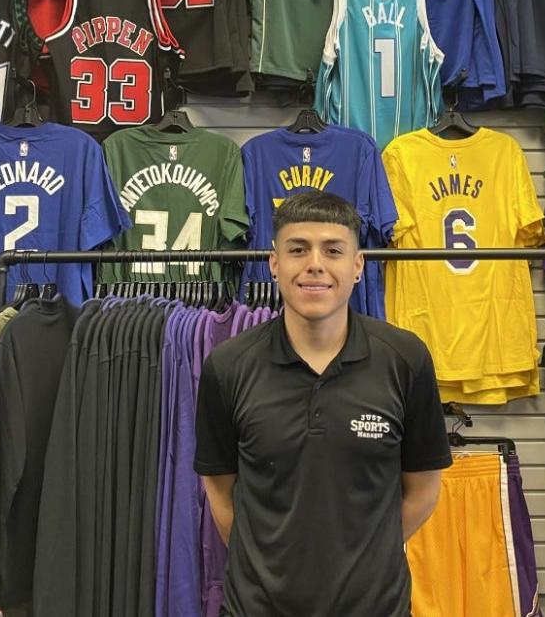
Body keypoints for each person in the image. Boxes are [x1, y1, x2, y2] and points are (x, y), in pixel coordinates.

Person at [194, 190, 452, 615]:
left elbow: (423, 491)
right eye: (298, 249)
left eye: (333, 250)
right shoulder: (228, 365)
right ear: (275, 264)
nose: (315, 263)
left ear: (356, 266)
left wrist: (367, 556)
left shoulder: (404, 359)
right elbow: (220, 494)